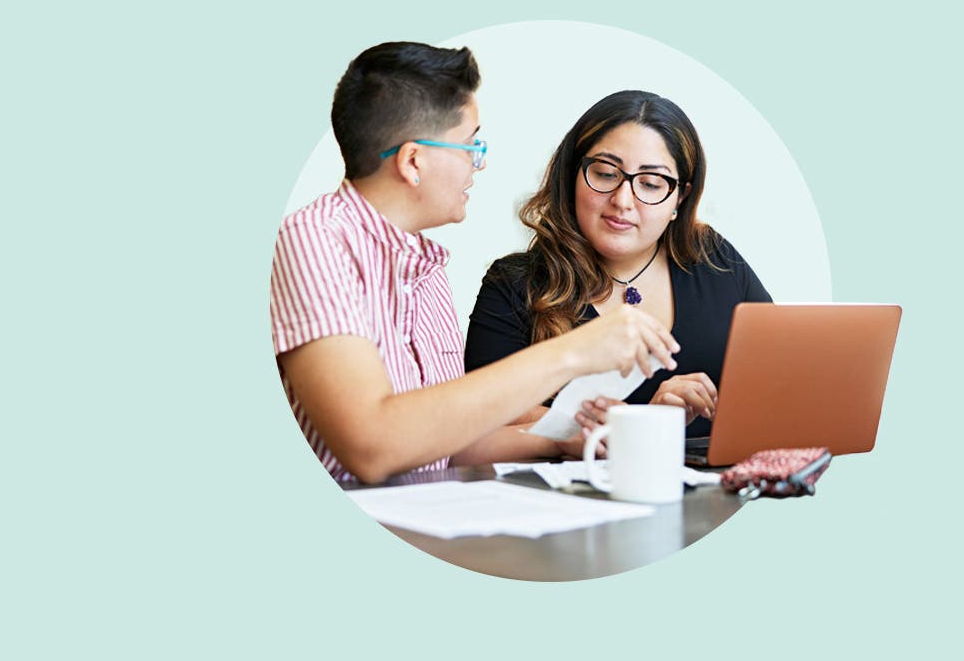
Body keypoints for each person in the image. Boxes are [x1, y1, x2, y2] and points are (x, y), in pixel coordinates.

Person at [270, 43, 680, 484]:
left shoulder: (422, 266)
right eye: (470, 145)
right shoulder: (314, 240)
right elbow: (373, 447)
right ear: (413, 161)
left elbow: (447, 443)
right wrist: (576, 352)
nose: (477, 164)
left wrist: (568, 435)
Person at [464, 90, 772, 437]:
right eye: (606, 174)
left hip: (716, 486)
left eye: (651, 183)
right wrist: (638, 424)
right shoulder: (513, 283)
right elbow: (479, 418)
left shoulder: (714, 258)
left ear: (679, 199)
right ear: (572, 176)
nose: (622, 201)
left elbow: (779, 374)